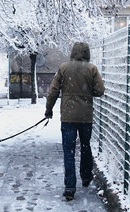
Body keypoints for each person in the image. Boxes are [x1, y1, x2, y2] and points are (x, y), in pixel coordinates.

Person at [44, 42, 105, 200]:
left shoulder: (64, 68)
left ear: (73, 53)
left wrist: (49, 109)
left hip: (68, 116)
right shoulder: (92, 69)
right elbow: (100, 91)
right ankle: (86, 176)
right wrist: (85, 92)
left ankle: (70, 186)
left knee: (69, 151)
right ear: (87, 53)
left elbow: (53, 91)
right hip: (85, 117)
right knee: (85, 146)